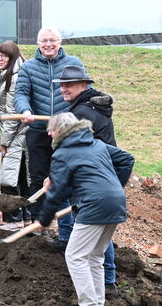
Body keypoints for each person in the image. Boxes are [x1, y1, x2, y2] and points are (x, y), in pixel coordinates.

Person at [39, 112, 134, 306]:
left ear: (61, 131)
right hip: (115, 202)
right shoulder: (97, 144)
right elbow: (127, 159)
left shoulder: (62, 153)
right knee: (94, 256)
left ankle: (89, 304)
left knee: (74, 256)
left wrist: (43, 220)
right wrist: (114, 186)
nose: (49, 134)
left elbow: (57, 193)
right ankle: (97, 302)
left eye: (52, 130)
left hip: (94, 206)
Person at [14, 26, 84, 239]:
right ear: (38, 44)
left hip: (65, 131)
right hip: (38, 130)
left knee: (67, 177)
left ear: (60, 42)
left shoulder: (74, 64)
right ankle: (39, 225)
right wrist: (25, 109)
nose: (48, 45)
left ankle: (70, 228)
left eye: (52, 40)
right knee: (38, 178)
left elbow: (82, 93)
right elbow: (21, 93)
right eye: (44, 41)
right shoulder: (28, 67)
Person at [54, 65, 118, 289]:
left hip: (93, 180)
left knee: (91, 232)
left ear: (84, 85)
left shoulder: (82, 112)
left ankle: (104, 283)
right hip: (103, 175)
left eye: (69, 85)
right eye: (61, 85)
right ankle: (108, 280)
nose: (64, 89)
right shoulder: (92, 105)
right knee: (100, 233)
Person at [0, 41, 31, 231]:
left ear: (12, 57)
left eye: (4, 56)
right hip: (18, 135)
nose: (0, 59)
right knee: (22, 177)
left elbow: (13, 115)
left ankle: (14, 221)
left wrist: (3, 143)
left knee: (9, 178)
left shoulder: (15, 78)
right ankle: (27, 219)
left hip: (16, 135)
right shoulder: (6, 74)